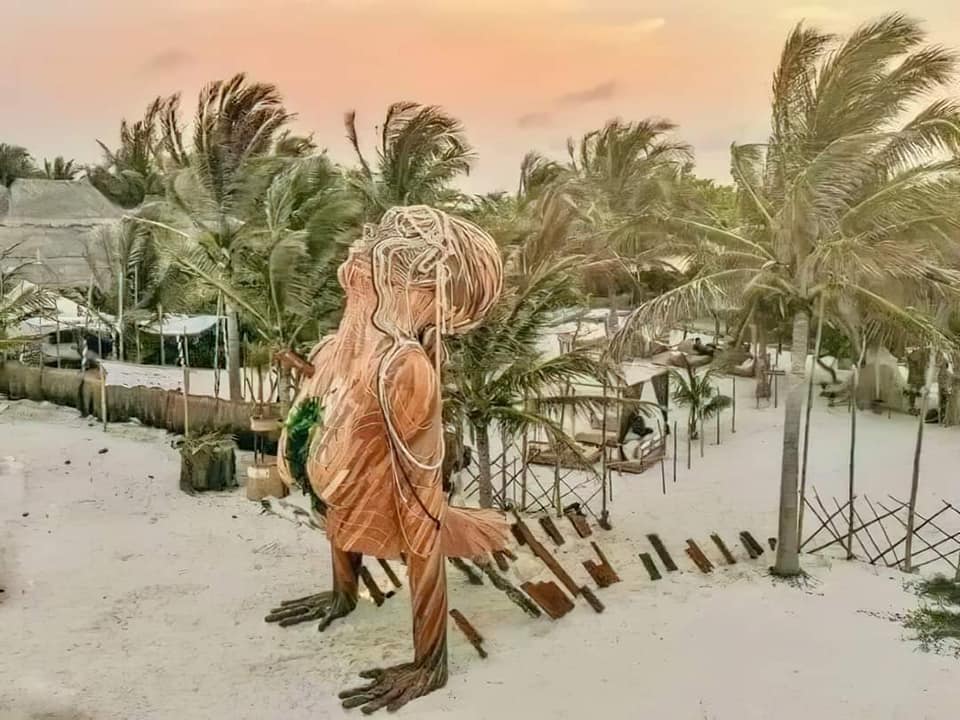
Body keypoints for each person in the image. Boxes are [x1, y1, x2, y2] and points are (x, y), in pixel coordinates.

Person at [270, 207, 508, 714]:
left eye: (403, 246)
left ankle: (431, 658)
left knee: (427, 520)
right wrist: (343, 593)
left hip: (404, 518)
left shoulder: (405, 369)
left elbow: (423, 520)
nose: (368, 245)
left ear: (426, 287)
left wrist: (430, 663)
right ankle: (343, 595)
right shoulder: (334, 349)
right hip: (353, 505)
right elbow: (338, 485)